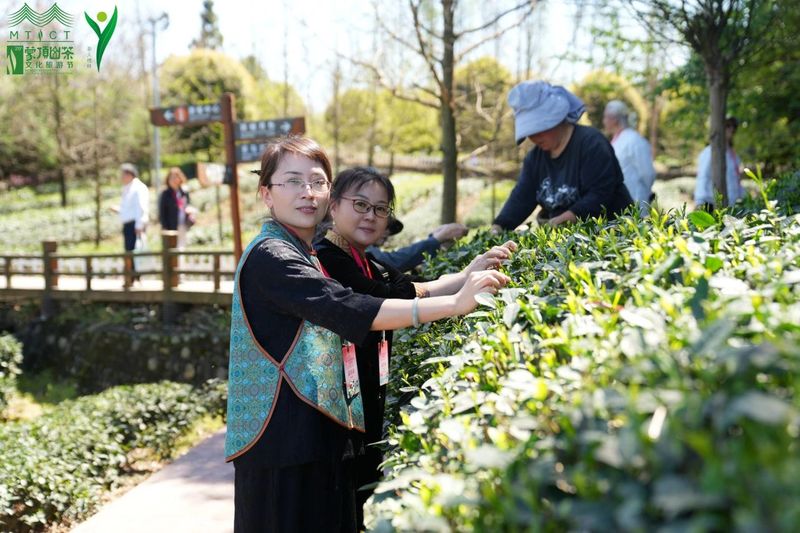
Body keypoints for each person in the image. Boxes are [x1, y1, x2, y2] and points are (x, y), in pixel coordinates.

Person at [226, 137, 510, 533]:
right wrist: (453, 303)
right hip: (285, 446)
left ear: (328, 192)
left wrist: (460, 283)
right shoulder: (272, 255)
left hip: (316, 437)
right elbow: (347, 305)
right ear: (266, 194)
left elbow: (387, 289)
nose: (307, 192)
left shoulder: (301, 250)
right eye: (292, 181)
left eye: (317, 181)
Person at [316, 166, 517, 527]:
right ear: (333, 205)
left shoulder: (365, 258)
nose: (370, 216)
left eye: (380, 209)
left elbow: (409, 287)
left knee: (359, 494)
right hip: (337, 405)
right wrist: (458, 298)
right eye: (360, 204)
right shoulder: (327, 258)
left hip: (364, 396)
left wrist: (469, 273)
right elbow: (381, 299)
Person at [490, 81, 633, 232]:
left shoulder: (592, 144)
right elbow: (522, 197)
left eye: (539, 129)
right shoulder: (534, 159)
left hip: (611, 235)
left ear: (556, 118)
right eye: (529, 133)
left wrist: (562, 221)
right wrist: (499, 226)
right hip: (567, 243)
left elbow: (600, 193)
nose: (534, 137)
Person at [603, 100, 656, 212]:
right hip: (618, 204)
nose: (604, 121)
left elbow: (648, 173)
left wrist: (644, 194)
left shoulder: (635, 140)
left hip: (635, 201)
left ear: (615, 119)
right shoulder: (616, 141)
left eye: (606, 117)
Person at [366, 219, 468, 272]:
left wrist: (438, 243)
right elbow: (391, 262)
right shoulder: (360, 249)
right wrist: (436, 239)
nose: (388, 232)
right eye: (385, 225)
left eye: (389, 228)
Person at [694, 116, 745, 211]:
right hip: (711, 207)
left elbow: (736, 181)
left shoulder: (733, 155)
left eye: (733, 126)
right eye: (727, 125)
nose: (731, 129)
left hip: (731, 208)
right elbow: (703, 178)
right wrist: (700, 204)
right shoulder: (709, 153)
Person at [114, 163, 149, 279]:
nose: (122, 177)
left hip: (135, 224)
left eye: (123, 175)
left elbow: (141, 207)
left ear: (129, 174)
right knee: (129, 251)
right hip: (128, 223)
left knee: (134, 251)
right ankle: (132, 277)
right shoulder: (127, 188)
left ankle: (135, 276)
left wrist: (139, 225)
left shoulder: (138, 187)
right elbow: (128, 209)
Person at [158, 167, 194, 248]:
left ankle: (181, 261)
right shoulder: (165, 194)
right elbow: (162, 212)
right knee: (171, 248)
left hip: (182, 223)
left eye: (176, 177)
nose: (174, 180)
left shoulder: (184, 192)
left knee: (182, 246)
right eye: (172, 178)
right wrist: (164, 227)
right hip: (170, 226)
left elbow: (188, 205)